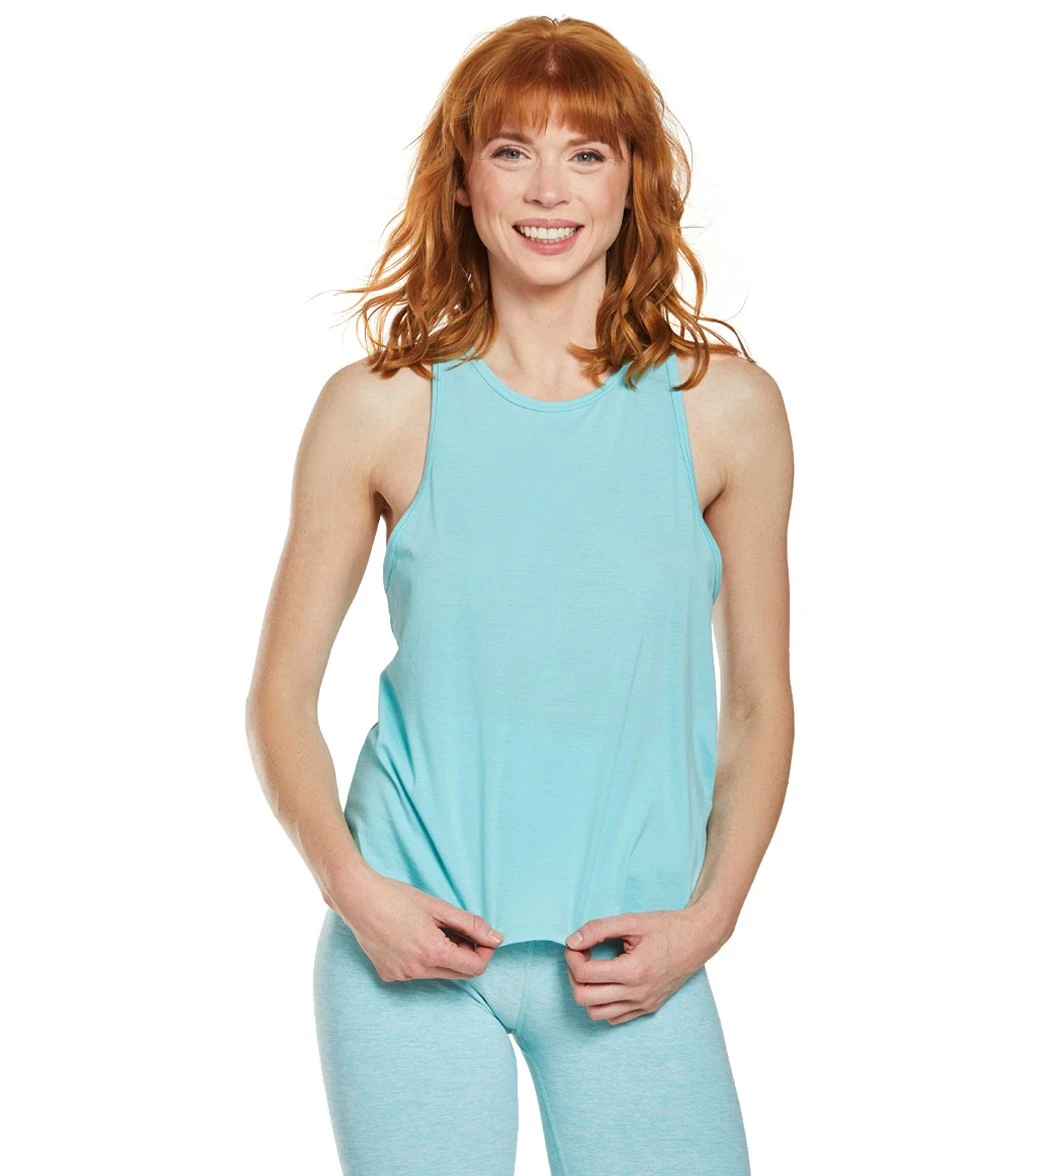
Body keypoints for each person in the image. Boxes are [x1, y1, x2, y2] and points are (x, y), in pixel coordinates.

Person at [245, 15, 793, 1176]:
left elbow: (758, 703)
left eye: (586, 153)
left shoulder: (725, 411)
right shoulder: (379, 406)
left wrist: (709, 921)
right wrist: (355, 893)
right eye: (512, 151)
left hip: (630, 961)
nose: (549, 190)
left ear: (634, 180)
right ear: (462, 181)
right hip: (407, 947)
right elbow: (280, 696)